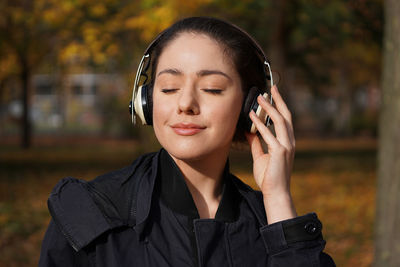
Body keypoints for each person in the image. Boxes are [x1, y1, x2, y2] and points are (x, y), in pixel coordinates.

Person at [39, 16, 335, 266]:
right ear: (146, 101)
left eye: (212, 88)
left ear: (251, 107)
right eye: (169, 88)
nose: (186, 103)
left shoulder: (272, 225)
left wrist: (278, 199)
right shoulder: (88, 214)